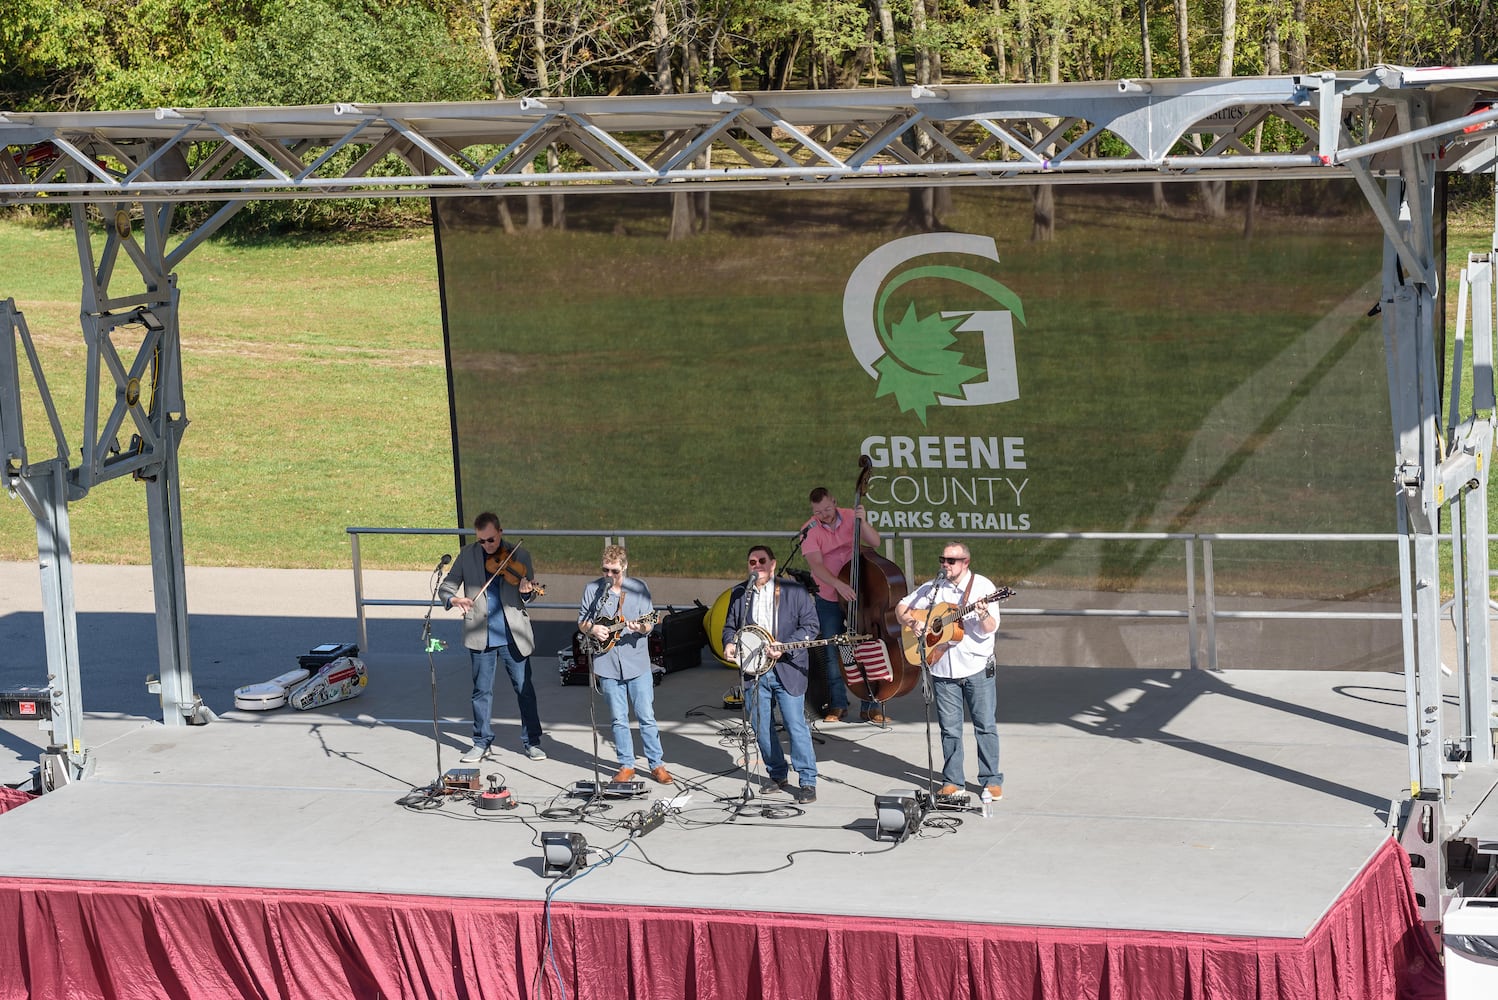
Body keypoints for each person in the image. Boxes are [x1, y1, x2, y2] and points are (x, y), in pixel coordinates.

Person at [895, 541, 1004, 801]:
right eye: (942, 559)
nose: (945, 564)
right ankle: (953, 781)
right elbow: (900, 608)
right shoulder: (933, 588)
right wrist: (913, 622)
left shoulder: (983, 588)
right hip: (943, 669)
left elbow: (990, 628)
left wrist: (982, 613)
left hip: (976, 666)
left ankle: (991, 780)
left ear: (965, 562)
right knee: (949, 728)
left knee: (985, 725)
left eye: (951, 561)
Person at [439, 512, 546, 763]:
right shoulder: (467, 555)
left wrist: (527, 591)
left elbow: (528, 596)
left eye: (490, 540)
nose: (487, 545)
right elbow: (448, 585)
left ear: (500, 532)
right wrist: (454, 600)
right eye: (482, 541)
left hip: (512, 634)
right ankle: (481, 742)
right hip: (481, 634)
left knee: (524, 690)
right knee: (481, 691)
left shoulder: (520, 555)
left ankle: (532, 741)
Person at [722, 544, 822, 804]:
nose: (757, 566)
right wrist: (729, 643)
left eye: (762, 561)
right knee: (760, 726)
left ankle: (807, 780)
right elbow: (730, 626)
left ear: (773, 564)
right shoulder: (740, 593)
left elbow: (811, 626)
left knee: (794, 724)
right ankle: (777, 774)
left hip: (786, 667)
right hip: (755, 671)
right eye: (752, 562)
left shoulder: (794, 591)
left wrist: (785, 644)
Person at [579, 545, 672, 785]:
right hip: (607, 663)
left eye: (614, 571)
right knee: (618, 718)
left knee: (646, 716)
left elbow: (650, 623)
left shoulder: (639, 588)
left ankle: (656, 764)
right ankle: (626, 765)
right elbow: (582, 622)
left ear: (625, 567)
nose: (609, 575)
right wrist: (592, 629)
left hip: (636, 662)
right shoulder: (593, 589)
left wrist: (641, 627)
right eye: (605, 570)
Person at [800, 486, 886, 724]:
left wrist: (863, 523)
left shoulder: (851, 515)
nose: (824, 515)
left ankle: (871, 705)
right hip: (829, 595)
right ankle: (838, 704)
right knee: (833, 650)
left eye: (827, 509)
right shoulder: (810, 530)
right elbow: (816, 566)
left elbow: (875, 542)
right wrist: (838, 585)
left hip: (859, 593)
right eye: (818, 512)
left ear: (835, 501)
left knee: (867, 648)